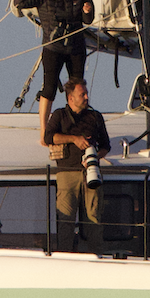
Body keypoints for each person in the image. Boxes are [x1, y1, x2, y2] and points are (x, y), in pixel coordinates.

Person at [11, 0, 95, 145]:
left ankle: (77, 127)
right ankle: (44, 132)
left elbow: (88, 20)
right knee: (49, 89)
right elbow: (19, 2)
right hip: (53, 48)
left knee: (77, 89)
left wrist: (87, 11)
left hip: (75, 48)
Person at [43, 77, 110, 254]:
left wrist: (94, 157)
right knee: (66, 218)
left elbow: (106, 146)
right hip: (67, 173)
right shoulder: (59, 115)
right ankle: (65, 256)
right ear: (71, 98)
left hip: (91, 173)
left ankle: (97, 255)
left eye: (86, 94)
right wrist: (74, 139)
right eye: (83, 94)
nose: (87, 97)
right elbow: (48, 137)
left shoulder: (95, 116)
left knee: (93, 217)